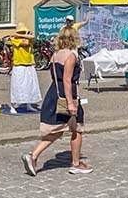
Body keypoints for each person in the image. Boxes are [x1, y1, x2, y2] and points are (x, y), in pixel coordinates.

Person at [22, 26, 92, 176]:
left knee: (59, 129)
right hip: (67, 95)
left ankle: (33, 155)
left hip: (54, 92)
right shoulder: (71, 56)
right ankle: (75, 163)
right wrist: (70, 103)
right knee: (77, 128)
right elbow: (67, 80)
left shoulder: (56, 55)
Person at [9, 22, 42, 114]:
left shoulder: (27, 38)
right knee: (17, 87)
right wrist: (20, 35)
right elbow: (25, 43)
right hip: (19, 65)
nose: (24, 33)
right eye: (21, 32)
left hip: (29, 65)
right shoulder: (15, 39)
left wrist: (26, 35)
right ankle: (13, 105)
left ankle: (29, 104)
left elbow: (32, 38)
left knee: (30, 86)